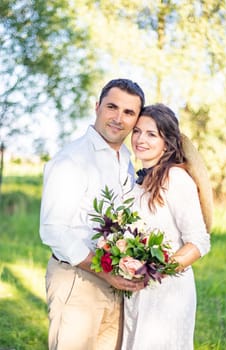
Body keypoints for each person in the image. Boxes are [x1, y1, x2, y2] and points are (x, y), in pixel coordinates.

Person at [39, 78, 146, 350]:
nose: (118, 118)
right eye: (112, 107)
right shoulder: (72, 160)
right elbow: (54, 231)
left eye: (129, 112)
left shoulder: (126, 160)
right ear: (97, 106)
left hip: (114, 283)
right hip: (78, 280)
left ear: (136, 120)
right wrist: (106, 272)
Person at [121, 103, 211, 350]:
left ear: (168, 143)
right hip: (137, 291)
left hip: (168, 293)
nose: (140, 139)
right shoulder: (138, 181)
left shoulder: (176, 179)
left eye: (152, 134)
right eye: (137, 131)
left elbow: (199, 242)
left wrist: (152, 269)